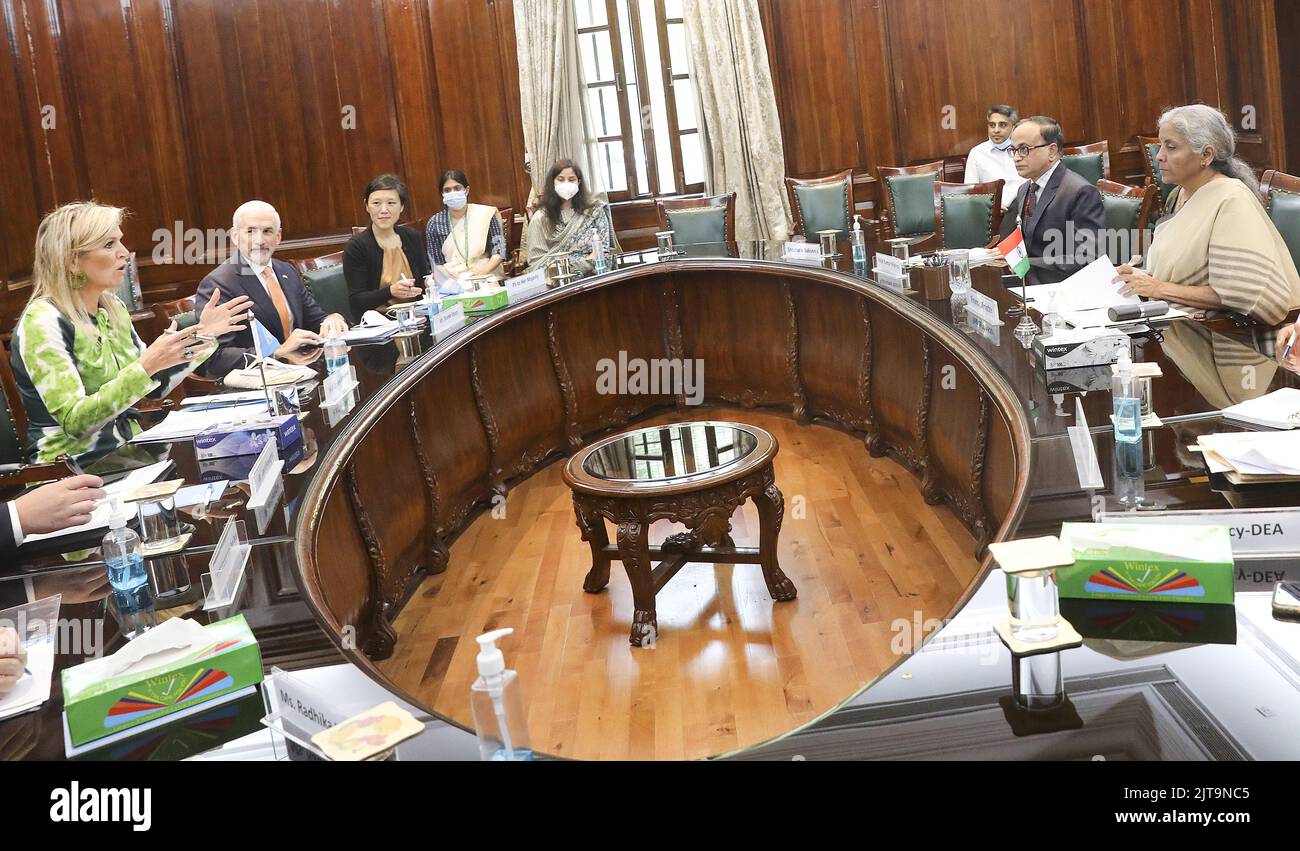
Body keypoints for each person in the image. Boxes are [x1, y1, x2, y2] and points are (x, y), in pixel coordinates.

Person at [12, 203, 249, 468]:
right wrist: (145, 365)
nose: (124, 253)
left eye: (120, 242)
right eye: (110, 244)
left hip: (132, 453)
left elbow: (155, 386)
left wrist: (205, 336)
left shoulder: (114, 309)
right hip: (74, 469)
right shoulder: (44, 321)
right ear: (72, 260)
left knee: (237, 453)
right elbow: (76, 423)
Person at [1116, 104, 1300, 327]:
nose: (1159, 157)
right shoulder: (1178, 194)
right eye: (1161, 146)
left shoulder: (1231, 200)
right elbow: (1179, 270)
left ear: (1206, 155)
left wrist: (1158, 288)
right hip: (1172, 327)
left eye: (1171, 147)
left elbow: (1246, 295)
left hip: (1221, 338)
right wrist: (1138, 276)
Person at [196, 200, 349, 379]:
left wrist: (331, 320)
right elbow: (215, 360)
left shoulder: (286, 270)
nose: (260, 240)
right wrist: (277, 352)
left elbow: (315, 319)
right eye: (250, 231)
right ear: (235, 236)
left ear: (278, 236)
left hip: (305, 374)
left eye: (267, 231)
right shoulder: (219, 283)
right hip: (258, 386)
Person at [997, 116, 1105, 285]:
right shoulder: (1025, 189)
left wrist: (1027, 264)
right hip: (1029, 285)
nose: (1017, 157)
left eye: (1024, 149)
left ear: (1052, 151)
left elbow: (1087, 257)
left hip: (1064, 290)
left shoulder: (1080, 192)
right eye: (1014, 150)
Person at [344, 174, 431, 316]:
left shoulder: (412, 236)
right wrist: (391, 291)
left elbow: (423, 279)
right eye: (376, 203)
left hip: (418, 314)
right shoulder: (356, 247)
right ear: (367, 206)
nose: (384, 210)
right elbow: (357, 300)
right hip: (380, 321)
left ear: (402, 206)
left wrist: (430, 281)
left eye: (391, 203)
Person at [526, 159, 620, 273]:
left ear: (579, 182)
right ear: (553, 182)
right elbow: (537, 264)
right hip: (559, 283)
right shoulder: (540, 218)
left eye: (571, 180)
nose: (566, 183)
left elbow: (603, 253)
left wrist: (574, 266)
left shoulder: (594, 211)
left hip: (593, 278)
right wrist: (583, 263)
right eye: (561, 180)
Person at [425, 169, 507, 283]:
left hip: (486, 275)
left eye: (457, 188)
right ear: (442, 194)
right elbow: (436, 263)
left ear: (466, 190)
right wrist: (449, 276)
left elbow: (499, 252)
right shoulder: (434, 223)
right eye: (447, 190)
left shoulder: (485, 214)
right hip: (453, 280)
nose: (452, 193)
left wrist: (482, 272)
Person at [963, 104, 1026, 211]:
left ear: (1013, 127)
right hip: (993, 213)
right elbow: (970, 192)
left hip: (1025, 208)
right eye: (992, 125)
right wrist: (990, 206)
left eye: (1002, 125)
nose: (996, 130)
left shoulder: (1024, 150)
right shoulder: (977, 153)